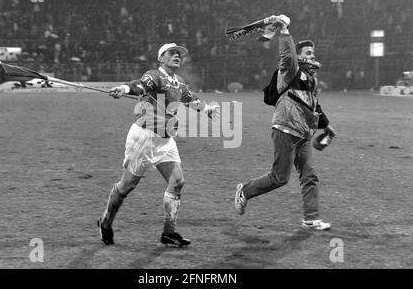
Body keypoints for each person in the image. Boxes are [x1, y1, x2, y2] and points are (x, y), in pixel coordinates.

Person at [98, 43, 220, 246]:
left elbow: (190, 99)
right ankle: (106, 221)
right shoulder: (154, 75)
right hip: (143, 138)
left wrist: (206, 109)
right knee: (126, 186)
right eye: (171, 53)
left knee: (178, 181)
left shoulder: (179, 82)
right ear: (161, 58)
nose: (176, 56)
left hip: (165, 140)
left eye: (179, 54)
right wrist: (125, 88)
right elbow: (139, 85)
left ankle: (169, 233)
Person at [234, 15, 336, 231]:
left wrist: (326, 126)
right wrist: (285, 31)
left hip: (303, 134)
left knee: (310, 175)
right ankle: (245, 190)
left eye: (313, 52)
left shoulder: (312, 81)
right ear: (299, 57)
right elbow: (287, 55)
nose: (313, 55)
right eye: (308, 53)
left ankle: (311, 218)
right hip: (285, 129)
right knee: (280, 178)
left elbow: (313, 107)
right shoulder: (291, 71)